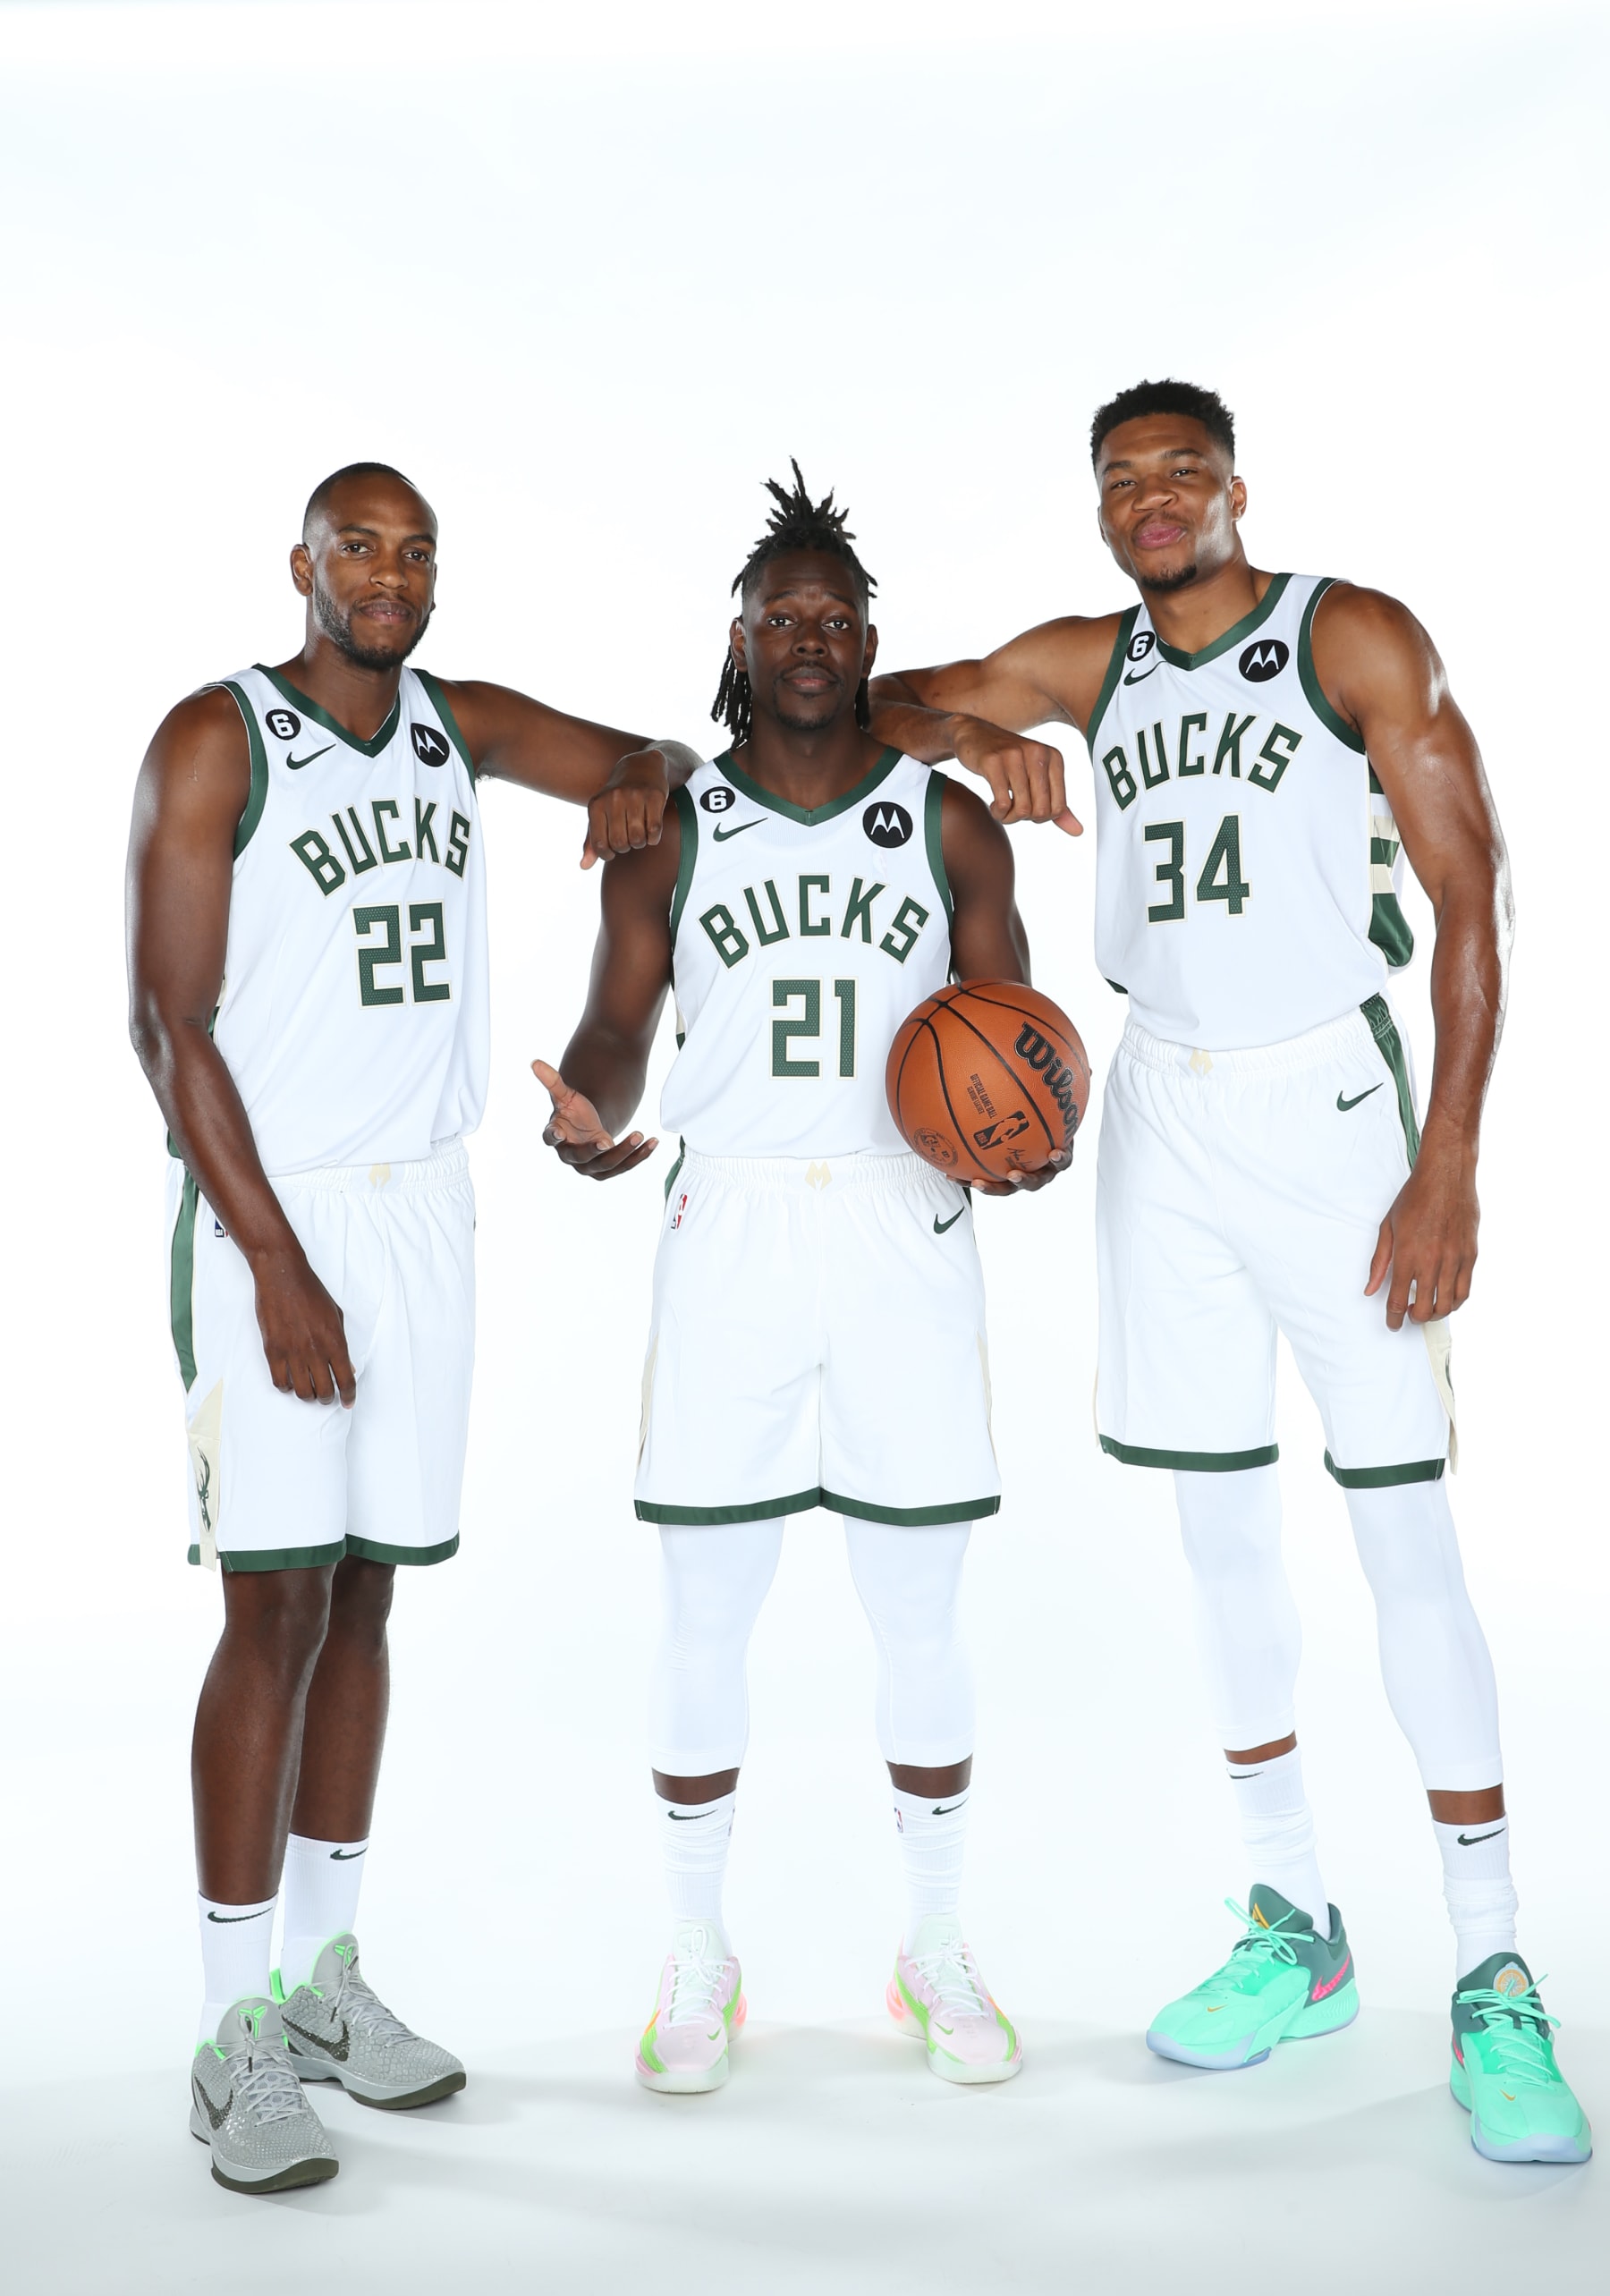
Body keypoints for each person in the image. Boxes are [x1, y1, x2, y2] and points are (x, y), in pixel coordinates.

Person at [865, 379, 1589, 2164]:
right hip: (1160, 1116)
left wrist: (1451, 1162)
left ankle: (1494, 1971)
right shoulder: (1091, 661)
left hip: (1334, 1107)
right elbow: (872, 700)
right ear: (1103, 512)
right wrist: (976, 738)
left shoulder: (1349, 634)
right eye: (1124, 481)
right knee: (1220, 1531)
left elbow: (1477, 890)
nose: (1155, 500)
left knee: (1405, 1527)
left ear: (1238, 488)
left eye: (1183, 472)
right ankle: (1298, 1926)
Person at [127, 461, 697, 2193]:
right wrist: (279, 1267)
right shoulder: (217, 736)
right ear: (296, 564)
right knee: (272, 1608)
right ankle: (230, 2036)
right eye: (354, 548)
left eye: (412, 550)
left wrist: (631, 834)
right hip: (277, 1209)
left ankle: (323, 1981)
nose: (386, 574)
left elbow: (656, 766)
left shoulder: (454, 723)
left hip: (426, 1208)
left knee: (367, 1591)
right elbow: (167, 1028)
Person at [536, 465, 1066, 2095]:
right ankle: (699, 1955)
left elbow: (1017, 1031)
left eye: (838, 615)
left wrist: (1027, 1137)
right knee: (709, 1605)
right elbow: (620, 1032)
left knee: (919, 1607)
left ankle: (936, 1944)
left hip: (906, 1224)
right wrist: (585, 1116)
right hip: (736, 1228)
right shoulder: (670, 826)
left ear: (868, 635)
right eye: (785, 615)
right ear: (744, 639)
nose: (813, 637)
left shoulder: (947, 817)